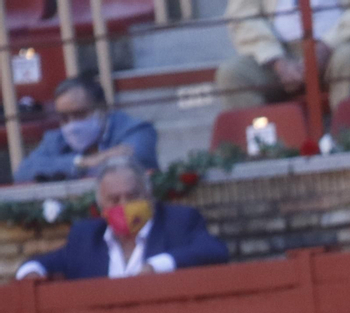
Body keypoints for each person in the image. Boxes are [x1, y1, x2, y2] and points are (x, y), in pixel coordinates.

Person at [14, 159, 228, 281]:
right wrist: (31, 271)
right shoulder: (86, 236)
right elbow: (39, 263)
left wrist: (157, 266)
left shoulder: (178, 222)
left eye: (132, 196)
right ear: (101, 207)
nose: (124, 205)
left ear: (149, 195)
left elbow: (214, 250)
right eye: (114, 200)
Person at [214, 0, 350, 111]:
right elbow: (241, 16)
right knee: (232, 73)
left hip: (341, 42)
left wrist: (326, 47)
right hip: (280, 52)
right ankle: (269, 152)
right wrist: (278, 61)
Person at [14, 77, 158, 183]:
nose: (71, 124)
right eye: (64, 118)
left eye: (79, 114)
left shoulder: (136, 130)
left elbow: (130, 162)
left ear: (102, 108)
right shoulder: (56, 139)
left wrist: (58, 167)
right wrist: (81, 162)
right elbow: (24, 172)